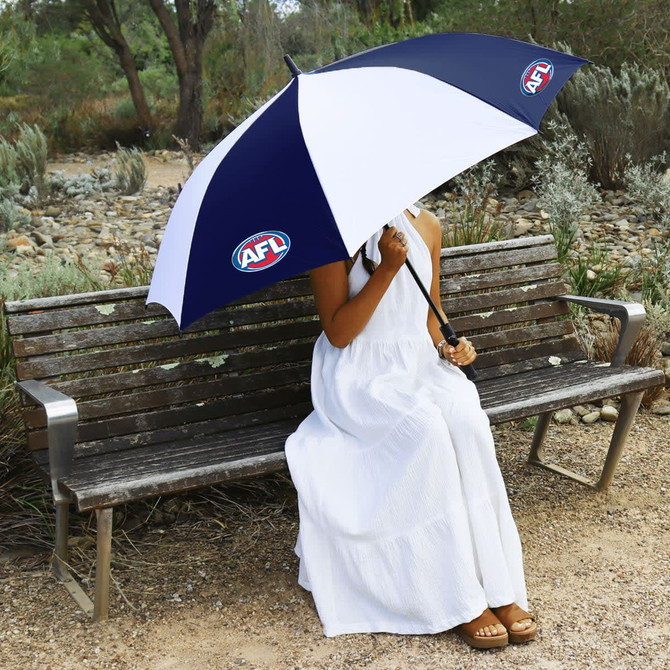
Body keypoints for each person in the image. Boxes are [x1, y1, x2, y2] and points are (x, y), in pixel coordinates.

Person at [284, 205, 536, 648]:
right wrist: (386, 269)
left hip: (418, 364)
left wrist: (450, 346)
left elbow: (429, 312)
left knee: (467, 420)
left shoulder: (427, 225)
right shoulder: (329, 238)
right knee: (425, 431)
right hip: (360, 374)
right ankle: (458, 596)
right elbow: (339, 333)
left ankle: (498, 586)